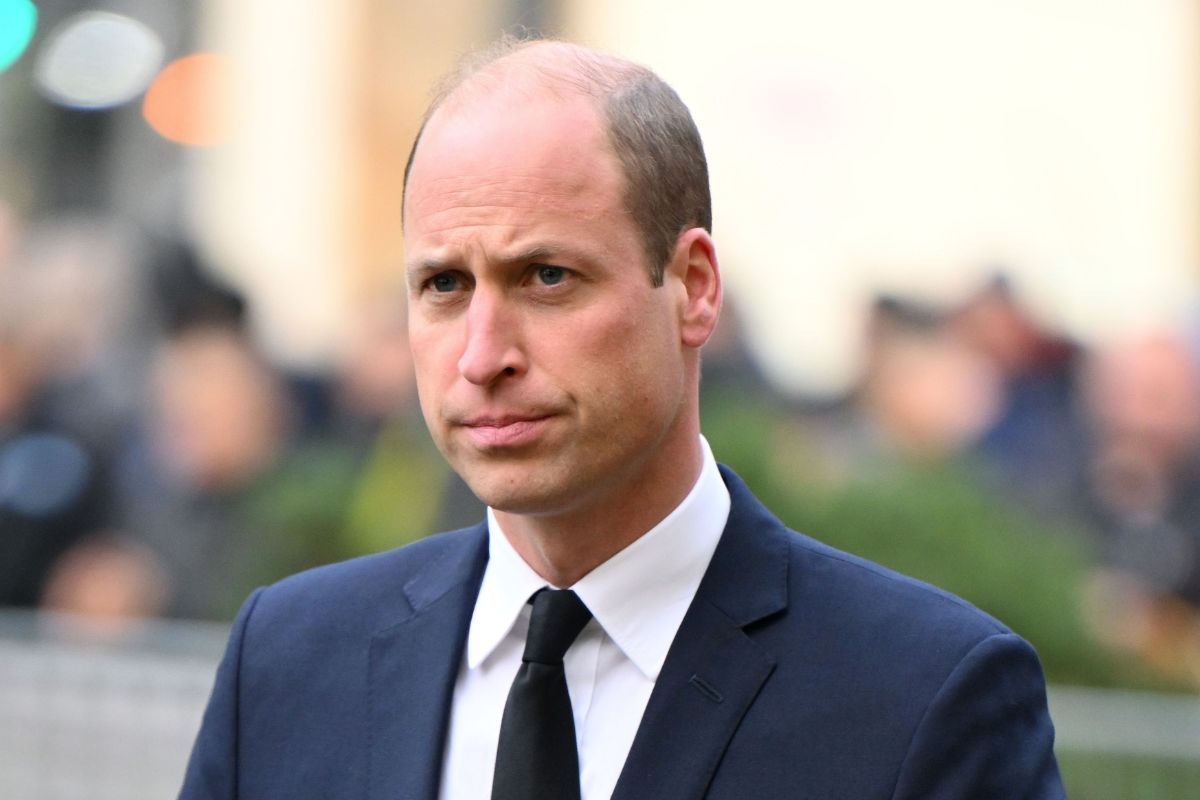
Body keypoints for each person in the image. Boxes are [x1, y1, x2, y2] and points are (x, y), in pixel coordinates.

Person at [180, 38, 1064, 799]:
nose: (483, 355)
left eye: (547, 277)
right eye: (444, 284)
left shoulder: (922, 694)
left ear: (693, 288)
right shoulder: (288, 660)